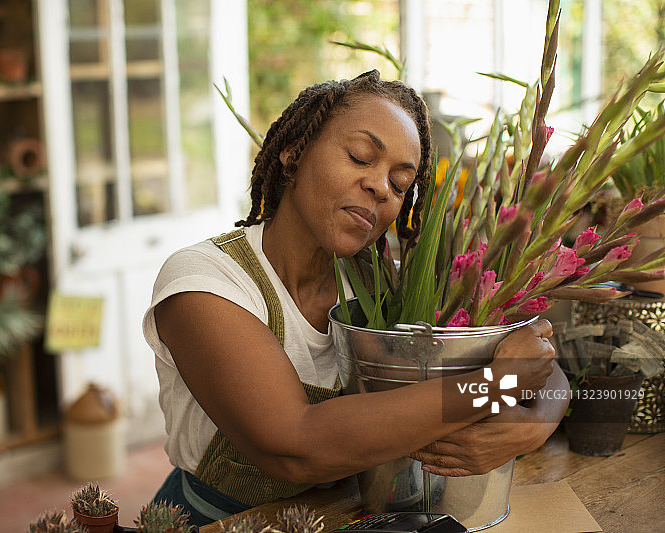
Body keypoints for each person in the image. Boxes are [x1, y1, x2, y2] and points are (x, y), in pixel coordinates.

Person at [142, 70, 568, 527]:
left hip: (351, 517)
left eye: (401, 184)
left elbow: (545, 366)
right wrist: (493, 386)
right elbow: (294, 445)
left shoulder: (383, 285)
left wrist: (531, 428)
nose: (381, 188)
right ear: (293, 153)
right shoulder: (206, 282)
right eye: (361, 157)